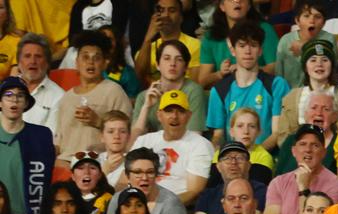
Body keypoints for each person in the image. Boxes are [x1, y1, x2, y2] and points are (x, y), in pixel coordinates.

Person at [206, 22, 289, 149]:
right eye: (242, 46)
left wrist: (253, 156)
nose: (248, 51)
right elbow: (219, 134)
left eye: (253, 45)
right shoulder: (219, 90)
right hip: (232, 160)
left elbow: (277, 133)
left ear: (260, 50)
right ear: (233, 50)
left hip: (266, 159)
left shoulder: (277, 85)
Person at [54, 31, 132, 163]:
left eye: (96, 58)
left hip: (97, 163)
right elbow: (58, 141)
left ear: (104, 64)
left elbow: (128, 134)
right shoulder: (66, 98)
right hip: (65, 162)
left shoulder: (114, 91)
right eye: (85, 57)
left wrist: (98, 121)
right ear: (76, 63)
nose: (91, 62)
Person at [264, 125, 338, 214]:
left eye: (315, 145)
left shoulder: (335, 185)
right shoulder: (278, 183)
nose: (308, 149)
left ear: (324, 152)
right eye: (303, 144)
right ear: (294, 151)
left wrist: (303, 188)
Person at [129, 90, 213, 205]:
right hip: (138, 204)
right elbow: (125, 180)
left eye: (181, 111)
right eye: (169, 111)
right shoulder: (144, 141)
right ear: (159, 115)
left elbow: (194, 191)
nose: (174, 116)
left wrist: (160, 206)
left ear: (189, 116)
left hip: (175, 207)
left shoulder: (200, 144)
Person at [272, 41, 338, 150]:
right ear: (305, 67)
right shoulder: (291, 97)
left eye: (325, 60)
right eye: (313, 60)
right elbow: (283, 135)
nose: (319, 64)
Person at [102, 147, 188, 214]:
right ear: (127, 175)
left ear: (156, 174)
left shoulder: (171, 203)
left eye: (150, 172)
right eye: (138, 173)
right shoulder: (117, 199)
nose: (144, 178)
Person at [190, 142, 267, 214]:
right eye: (227, 158)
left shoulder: (260, 190)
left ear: (249, 165)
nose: (233, 162)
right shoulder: (208, 194)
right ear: (218, 167)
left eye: (240, 158)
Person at [0, 75, 54, 214]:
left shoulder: (41, 136)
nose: (14, 100)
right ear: (0, 102)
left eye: (20, 96)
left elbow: (46, 181)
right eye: (8, 95)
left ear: (26, 103)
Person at [197, 0, 279, 87]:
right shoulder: (210, 36)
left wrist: (245, 69)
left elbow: (275, 68)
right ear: (222, 6)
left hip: (259, 89)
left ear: (249, 6)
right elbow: (202, 81)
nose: (237, 1)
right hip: (225, 93)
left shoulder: (265, 30)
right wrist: (219, 74)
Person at [133, 40, 207, 135]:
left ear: (186, 66)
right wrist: (146, 107)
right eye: (167, 58)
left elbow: (195, 135)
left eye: (179, 59)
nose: (172, 63)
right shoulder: (144, 96)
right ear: (157, 64)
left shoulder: (194, 91)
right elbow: (134, 141)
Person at [132, 0, 200, 86]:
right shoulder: (147, 48)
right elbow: (139, 76)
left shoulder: (195, 45)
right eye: (161, 11)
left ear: (181, 17)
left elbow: (194, 84)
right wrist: (147, 39)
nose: (166, 15)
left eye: (172, 11)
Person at [15, 33, 63, 130]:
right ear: (19, 63)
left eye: (38, 56)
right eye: (27, 56)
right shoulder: (4, 89)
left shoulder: (58, 96)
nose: (33, 61)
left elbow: (50, 138)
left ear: (47, 63)